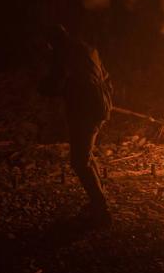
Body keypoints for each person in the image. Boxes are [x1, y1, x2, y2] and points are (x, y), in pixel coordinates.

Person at [39, 25, 113, 227]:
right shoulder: (87, 49)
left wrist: (41, 87)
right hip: (99, 106)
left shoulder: (63, 53)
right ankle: (99, 201)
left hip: (83, 111)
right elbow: (105, 77)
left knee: (80, 162)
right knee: (86, 157)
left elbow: (54, 83)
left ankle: (101, 210)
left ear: (53, 42)